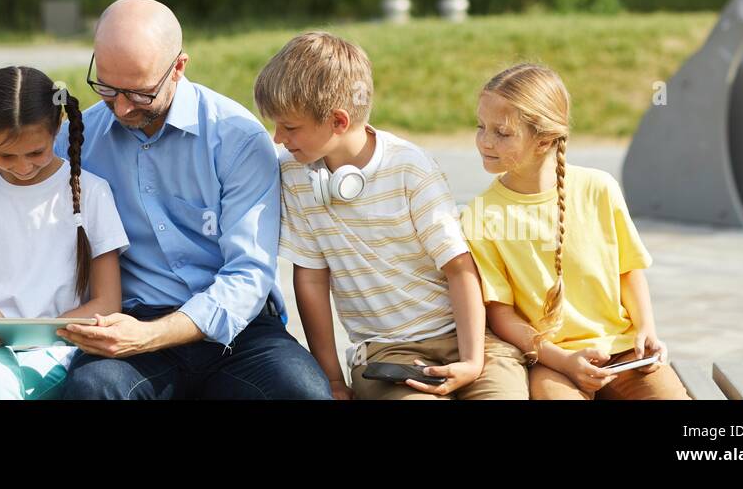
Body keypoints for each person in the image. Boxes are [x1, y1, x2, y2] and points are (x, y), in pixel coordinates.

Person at [0, 0, 330, 399]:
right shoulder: (79, 140)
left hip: (235, 333)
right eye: (106, 87)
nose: (120, 108)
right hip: (126, 323)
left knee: (302, 392)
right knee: (93, 390)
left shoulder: (237, 139)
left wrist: (153, 336)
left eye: (139, 93)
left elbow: (248, 277)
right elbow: (20, 187)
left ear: (178, 67)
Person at [255, 30, 529, 400]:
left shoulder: (409, 168)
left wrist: (472, 361)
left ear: (337, 121)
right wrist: (333, 379)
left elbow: (458, 267)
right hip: (388, 355)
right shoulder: (294, 174)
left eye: (289, 127)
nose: (277, 138)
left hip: (467, 340)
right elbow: (311, 281)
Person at [462, 62, 690, 400]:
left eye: (502, 132)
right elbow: (501, 314)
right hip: (553, 363)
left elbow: (628, 270)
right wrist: (565, 361)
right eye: (481, 127)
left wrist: (646, 330)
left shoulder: (600, 188)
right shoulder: (481, 214)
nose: (485, 141)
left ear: (545, 140)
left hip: (627, 354)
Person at [0, 66, 128, 399]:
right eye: (6, 155)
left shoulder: (92, 194)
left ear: (58, 128)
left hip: (57, 349)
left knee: (7, 385)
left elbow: (108, 302)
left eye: (36, 152)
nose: (22, 167)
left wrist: (53, 329)